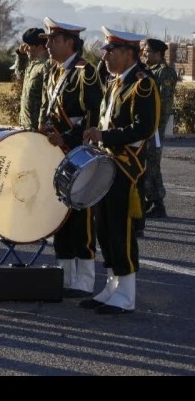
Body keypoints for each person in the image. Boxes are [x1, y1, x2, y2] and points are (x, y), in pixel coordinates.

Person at [81, 27, 160, 314]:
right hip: (107, 164)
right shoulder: (116, 82)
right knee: (104, 227)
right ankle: (112, 285)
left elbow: (144, 127)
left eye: (111, 51)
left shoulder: (142, 83)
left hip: (126, 167)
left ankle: (126, 293)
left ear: (128, 53)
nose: (106, 56)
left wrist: (105, 137)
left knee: (121, 229)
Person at [41, 17, 103, 298]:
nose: (49, 45)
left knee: (80, 216)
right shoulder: (53, 71)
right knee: (60, 216)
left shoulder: (85, 71)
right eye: (48, 40)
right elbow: (48, 108)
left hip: (76, 152)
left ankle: (86, 278)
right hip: (56, 151)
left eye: (54, 40)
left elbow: (92, 115)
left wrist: (67, 138)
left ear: (70, 42)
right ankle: (64, 274)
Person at [141, 38, 178, 219]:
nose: (144, 54)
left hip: (155, 126)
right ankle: (149, 198)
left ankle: (158, 203)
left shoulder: (165, 73)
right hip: (148, 125)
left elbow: (164, 102)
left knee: (153, 163)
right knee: (146, 162)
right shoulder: (150, 71)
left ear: (157, 53)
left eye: (147, 51)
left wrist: (155, 125)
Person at [16, 28, 51, 131]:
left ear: (39, 47)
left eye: (29, 46)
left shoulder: (45, 66)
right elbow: (19, 75)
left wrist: (42, 122)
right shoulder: (32, 64)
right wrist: (21, 56)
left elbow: (47, 98)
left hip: (37, 127)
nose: (25, 48)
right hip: (26, 124)